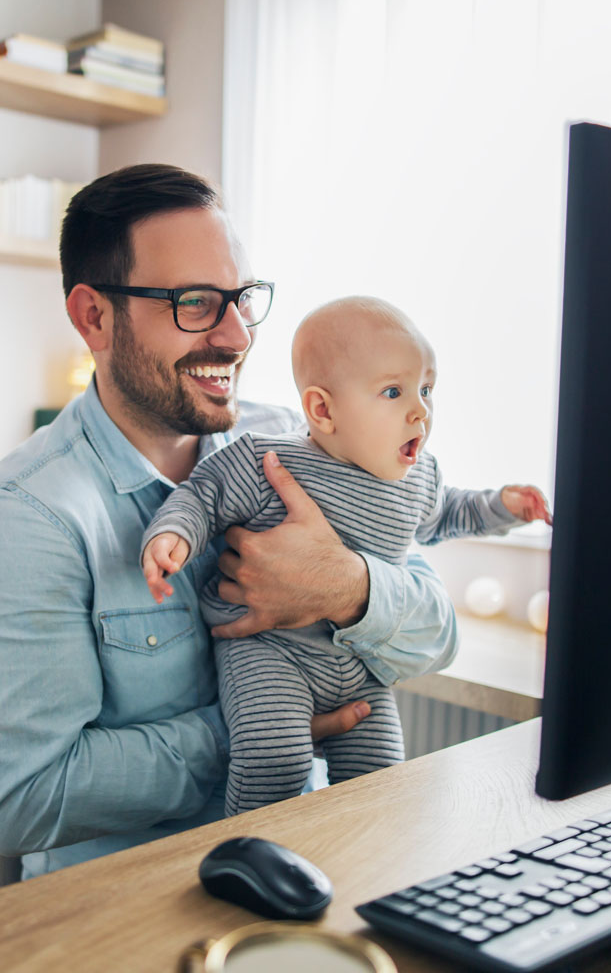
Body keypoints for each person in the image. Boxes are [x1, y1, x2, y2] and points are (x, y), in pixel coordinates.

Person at [0, 165, 459, 879]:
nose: (237, 336)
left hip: (306, 871)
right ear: (94, 316)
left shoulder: (300, 447)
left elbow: (439, 636)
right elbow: (24, 797)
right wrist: (253, 731)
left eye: (242, 299)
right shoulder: (31, 514)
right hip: (121, 912)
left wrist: (347, 588)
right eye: (194, 303)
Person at [141, 296, 553, 815]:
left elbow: (449, 514)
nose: (420, 409)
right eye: (393, 391)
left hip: (361, 662)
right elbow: (203, 496)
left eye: (427, 390)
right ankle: (249, 856)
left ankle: (364, 875)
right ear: (323, 410)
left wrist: (503, 507)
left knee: (383, 778)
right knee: (277, 758)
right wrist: (173, 535)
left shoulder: (418, 476)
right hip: (272, 653)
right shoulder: (269, 458)